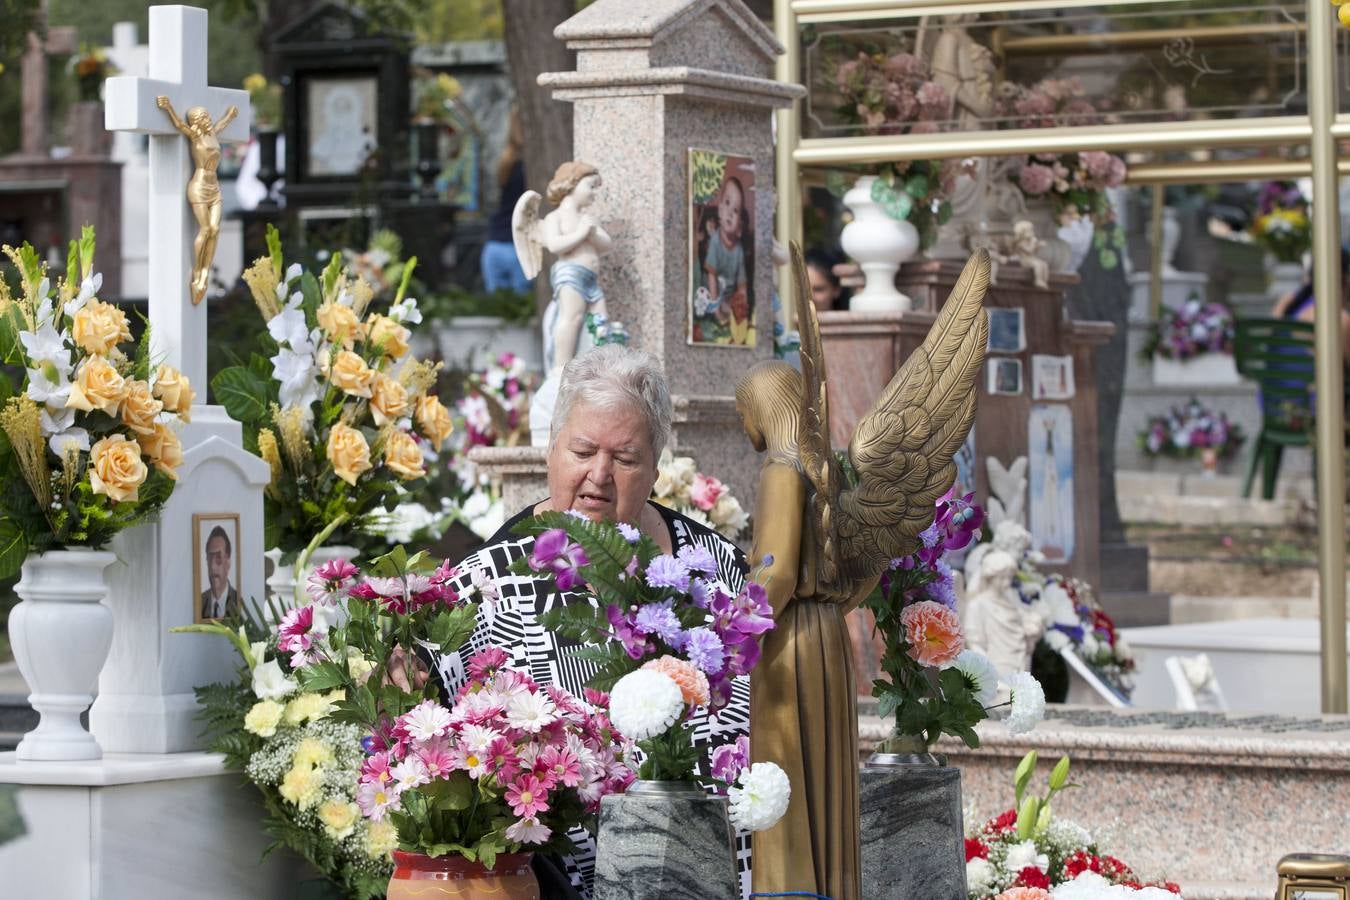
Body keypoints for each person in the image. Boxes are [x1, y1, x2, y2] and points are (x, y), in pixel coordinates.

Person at [431, 345, 752, 899]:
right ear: (551, 451)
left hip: (716, 872)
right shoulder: (486, 582)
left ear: (656, 466)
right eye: (582, 451)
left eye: (625, 458)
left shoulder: (713, 566)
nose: (598, 476)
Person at [155, 95, 238, 304]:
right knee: (206, 229)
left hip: (215, 187)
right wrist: (169, 107)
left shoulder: (213, 134)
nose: (207, 119)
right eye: (202, 117)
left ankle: (204, 274)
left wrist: (230, 115)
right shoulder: (195, 135)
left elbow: (221, 124)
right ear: (196, 121)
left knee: (216, 229)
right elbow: (179, 124)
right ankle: (197, 270)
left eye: (207, 115)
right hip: (199, 187)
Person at [481, 110, 531, 293]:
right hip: (520, 246)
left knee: (497, 310)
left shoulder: (506, 162)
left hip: (494, 244)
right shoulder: (530, 168)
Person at [199, 526, 240, 620]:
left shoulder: (238, 600)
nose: (213, 566)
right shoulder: (199, 602)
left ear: (228, 562)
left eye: (218, 557)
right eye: (210, 558)